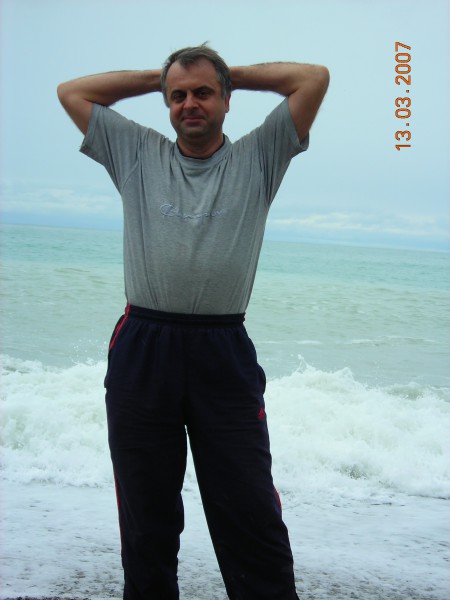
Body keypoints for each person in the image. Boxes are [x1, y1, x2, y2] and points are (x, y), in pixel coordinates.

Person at [57, 44, 329, 600]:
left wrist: (228, 72)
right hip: (143, 347)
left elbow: (312, 77)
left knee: (249, 509)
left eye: (203, 92)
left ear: (227, 100)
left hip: (222, 350)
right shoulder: (137, 152)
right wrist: (160, 77)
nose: (189, 104)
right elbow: (72, 92)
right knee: (147, 518)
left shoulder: (259, 156)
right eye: (177, 96)